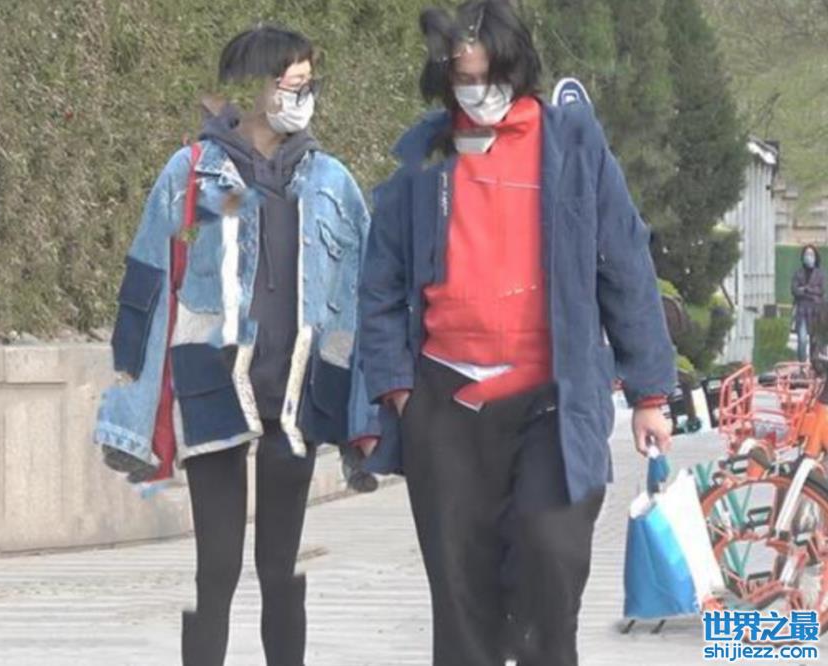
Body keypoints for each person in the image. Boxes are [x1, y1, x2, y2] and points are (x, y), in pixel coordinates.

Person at [356, 2, 676, 664]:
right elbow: (379, 284)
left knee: (550, 554)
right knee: (460, 593)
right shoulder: (423, 159)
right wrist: (397, 391)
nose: (480, 92)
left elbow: (624, 262)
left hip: (551, 400)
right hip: (446, 402)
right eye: (465, 80)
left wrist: (650, 392)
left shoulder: (574, 147)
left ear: (518, 67)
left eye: (491, 76)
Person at [94, 25, 376, 666]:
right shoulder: (194, 173)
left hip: (296, 397)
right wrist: (131, 404)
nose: (302, 98)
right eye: (290, 85)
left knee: (280, 568)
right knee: (215, 571)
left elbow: (364, 299)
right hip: (213, 389)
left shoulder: (332, 182)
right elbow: (147, 282)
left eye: (308, 85)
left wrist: (361, 417)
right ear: (254, 87)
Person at [792, 244, 824, 363]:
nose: (808, 256)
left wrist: (805, 289)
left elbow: (821, 291)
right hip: (802, 311)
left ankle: (813, 364)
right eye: (806, 254)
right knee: (802, 339)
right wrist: (809, 291)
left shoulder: (820, 274)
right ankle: (802, 364)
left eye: (811, 254)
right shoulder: (798, 273)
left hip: (816, 311)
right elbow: (794, 290)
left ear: (815, 257)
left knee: (814, 341)